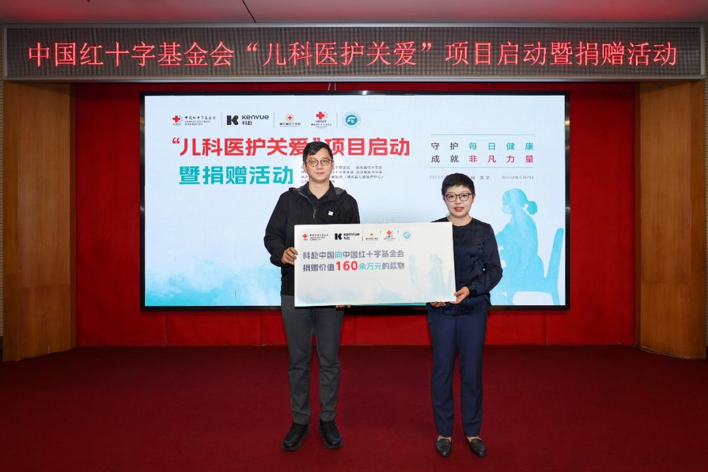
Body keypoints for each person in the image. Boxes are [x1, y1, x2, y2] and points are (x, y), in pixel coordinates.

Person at [264, 141, 360, 451]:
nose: (319, 166)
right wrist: (282, 253)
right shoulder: (288, 199)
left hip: (332, 295)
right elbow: (271, 236)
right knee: (298, 360)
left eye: (325, 161)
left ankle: (328, 419)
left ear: (333, 164)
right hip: (294, 290)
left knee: (330, 359)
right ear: (304, 166)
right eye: (313, 161)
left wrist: (347, 289)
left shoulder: (346, 202)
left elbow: (354, 248)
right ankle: (300, 419)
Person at [427, 173, 502, 458]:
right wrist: (430, 292)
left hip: (474, 310)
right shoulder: (433, 230)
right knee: (442, 372)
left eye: (463, 195)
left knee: (472, 372)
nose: (458, 201)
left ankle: (472, 431)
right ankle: (444, 432)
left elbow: (494, 270)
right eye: (451, 196)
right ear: (444, 198)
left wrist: (471, 289)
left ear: (473, 197)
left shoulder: (484, 230)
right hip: (442, 311)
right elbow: (421, 269)